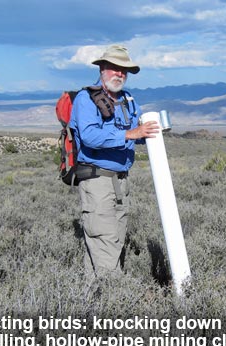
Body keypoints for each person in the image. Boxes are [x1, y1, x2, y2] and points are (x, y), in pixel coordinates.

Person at [69, 45, 159, 279]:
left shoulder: (128, 101)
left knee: (112, 241)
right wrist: (131, 134)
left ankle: (91, 301)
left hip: (121, 182)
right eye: (115, 68)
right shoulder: (86, 99)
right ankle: (116, 303)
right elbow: (89, 136)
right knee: (105, 240)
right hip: (97, 180)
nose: (120, 74)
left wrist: (149, 134)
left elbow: (133, 136)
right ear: (102, 69)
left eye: (124, 70)